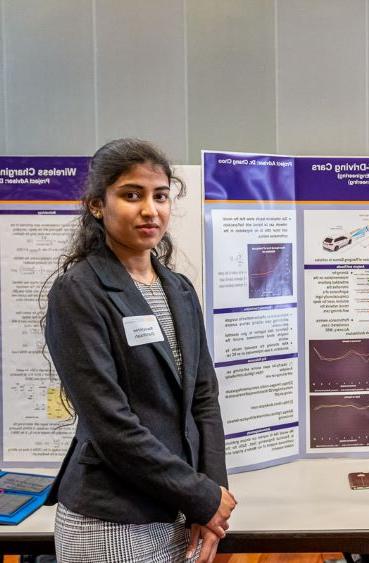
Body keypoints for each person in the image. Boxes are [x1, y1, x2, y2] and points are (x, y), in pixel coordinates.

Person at [45, 139, 236, 563]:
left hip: (179, 515)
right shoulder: (79, 292)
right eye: (132, 195)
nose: (150, 210)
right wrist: (200, 495)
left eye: (160, 195)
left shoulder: (178, 288)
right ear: (98, 205)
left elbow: (204, 399)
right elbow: (110, 424)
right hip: (111, 522)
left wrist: (212, 497)